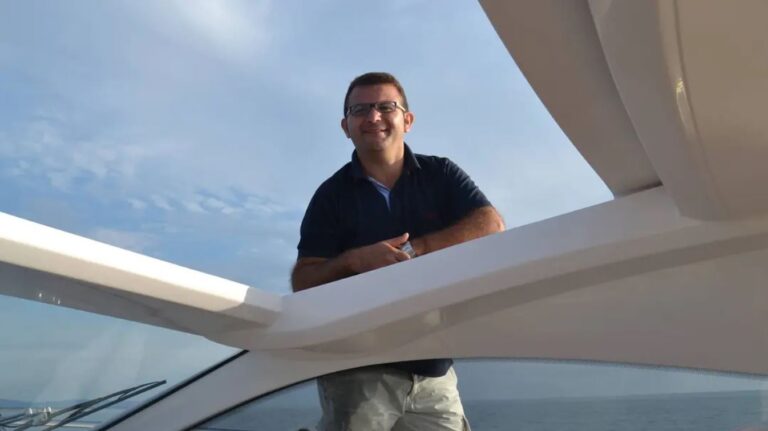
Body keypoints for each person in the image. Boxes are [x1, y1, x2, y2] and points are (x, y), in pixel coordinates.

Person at [292, 72, 505, 431]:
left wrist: (416, 248)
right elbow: (303, 280)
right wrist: (355, 260)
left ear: (407, 120)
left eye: (385, 106)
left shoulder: (441, 174)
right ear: (346, 127)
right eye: (360, 110)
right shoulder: (331, 196)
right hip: (358, 374)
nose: (373, 116)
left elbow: (490, 224)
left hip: (434, 371)